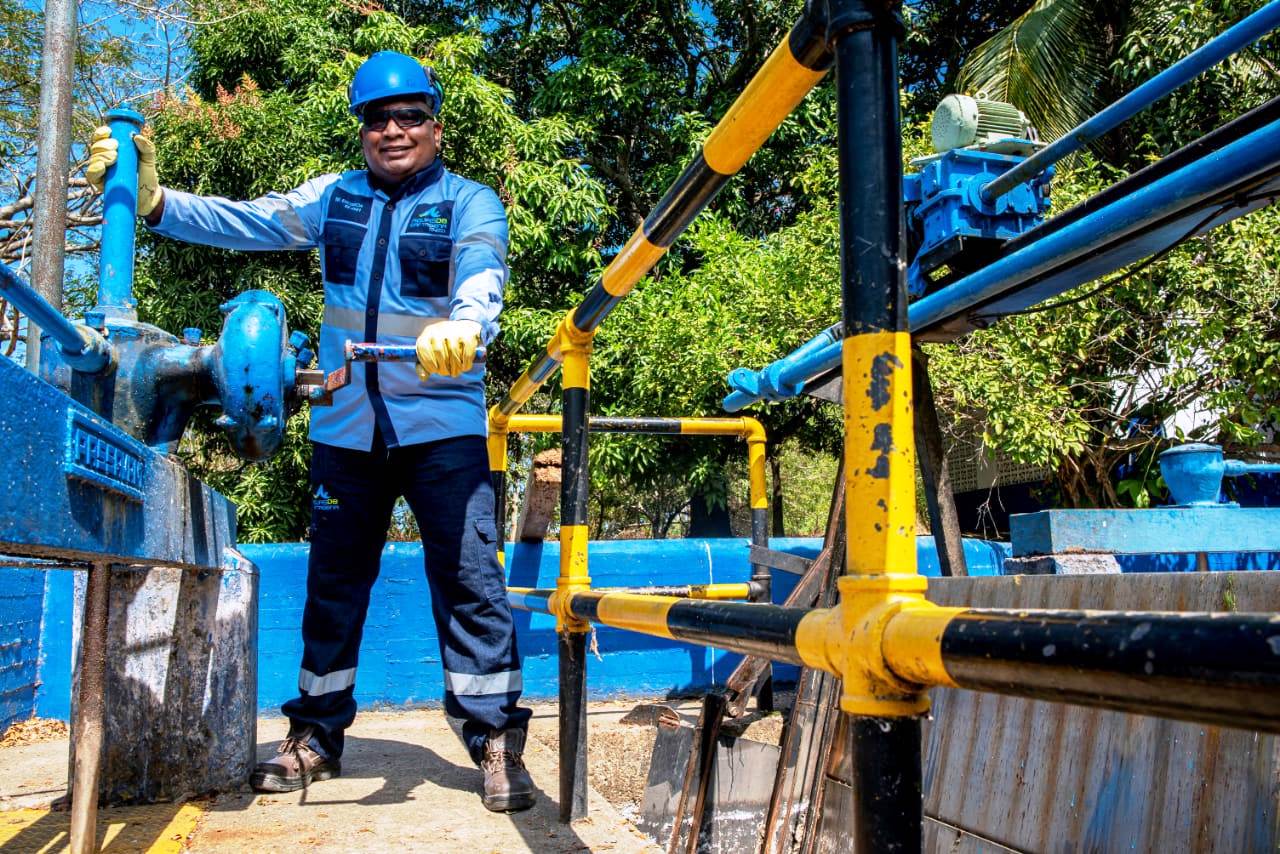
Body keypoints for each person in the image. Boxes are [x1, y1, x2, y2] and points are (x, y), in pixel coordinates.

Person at [86, 51, 535, 813]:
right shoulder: (336, 198)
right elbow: (247, 220)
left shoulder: (469, 202)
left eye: (410, 116)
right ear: (363, 128)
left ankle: (494, 741)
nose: (394, 130)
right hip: (347, 427)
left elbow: (482, 271)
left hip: (442, 426)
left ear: (436, 123)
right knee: (333, 587)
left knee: (469, 583)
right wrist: (157, 203)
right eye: (377, 118)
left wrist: (465, 324)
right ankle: (316, 738)